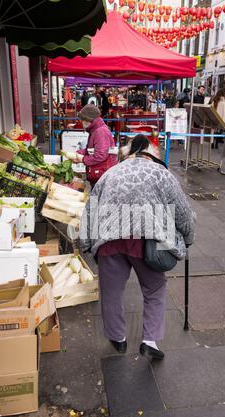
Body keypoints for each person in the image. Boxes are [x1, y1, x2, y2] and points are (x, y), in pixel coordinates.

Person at [80, 134, 195, 360]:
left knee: (111, 291)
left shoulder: (110, 174)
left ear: (128, 153)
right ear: (152, 155)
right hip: (149, 240)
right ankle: (149, 340)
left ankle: (118, 339)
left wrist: (86, 243)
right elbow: (182, 212)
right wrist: (188, 237)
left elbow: (90, 210)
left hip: (109, 238)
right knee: (154, 289)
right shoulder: (162, 175)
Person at [74, 104, 117, 188]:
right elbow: (91, 150)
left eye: (82, 119)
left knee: (97, 199)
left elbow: (101, 155)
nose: (81, 121)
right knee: (95, 197)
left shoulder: (100, 132)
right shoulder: (95, 130)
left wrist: (83, 159)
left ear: (89, 119)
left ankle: (94, 202)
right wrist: (78, 153)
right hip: (98, 174)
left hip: (101, 175)